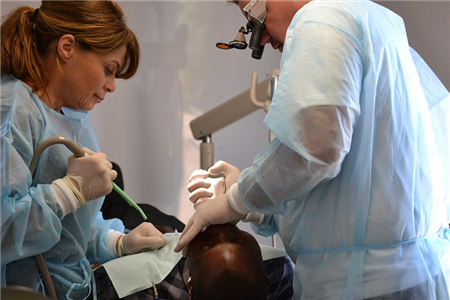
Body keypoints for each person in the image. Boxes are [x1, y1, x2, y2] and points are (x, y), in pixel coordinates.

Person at [175, 0, 450, 299]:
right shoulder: (375, 19)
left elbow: (317, 151)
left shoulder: (321, 18)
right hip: (408, 275)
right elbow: (352, 190)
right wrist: (254, 207)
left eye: (253, 17)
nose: (262, 38)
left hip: (359, 284)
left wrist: (235, 200)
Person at [0, 1, 167, 299]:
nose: (112, 86)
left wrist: (118, 242)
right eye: (108, 70)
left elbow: (70, 231)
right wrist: (68, 191)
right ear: (67, 47)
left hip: (73, 286)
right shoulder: (13, 110)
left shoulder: (70, 116)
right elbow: (4, 229)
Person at [93, 224, 295, 300]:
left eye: (206, 245)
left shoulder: (127, 290)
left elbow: (86, 282)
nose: (220, 227)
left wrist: (117, 244)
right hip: (172, 231)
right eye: (238, 237)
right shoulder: (280, 269)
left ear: (191, 289)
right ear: (265, 276)